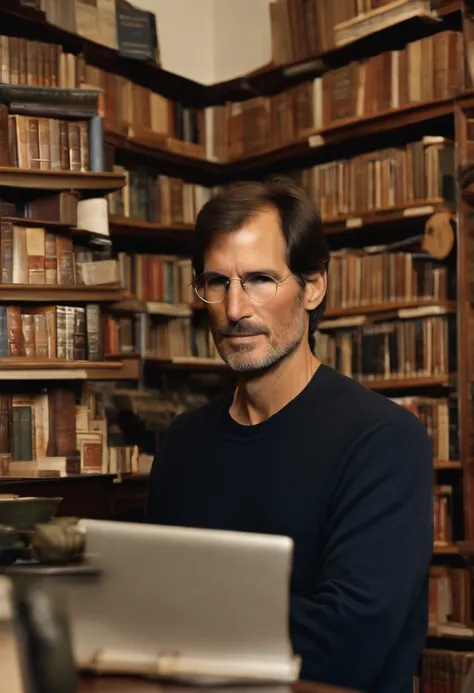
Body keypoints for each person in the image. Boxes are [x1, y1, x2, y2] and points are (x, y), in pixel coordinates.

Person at [144, 178, 433, 693]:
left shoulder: (384, 440)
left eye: (259, 279)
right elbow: (148, 610)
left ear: (314, 285)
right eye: (217, 282)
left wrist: (189, 627)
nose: (235, 309)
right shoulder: (183, 443)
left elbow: (344, 644)